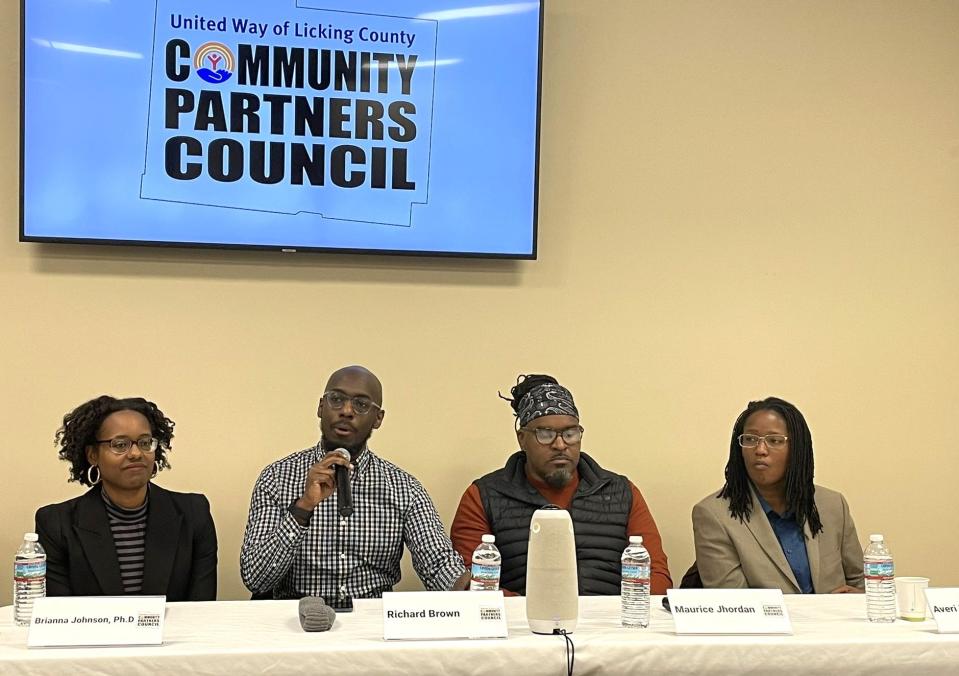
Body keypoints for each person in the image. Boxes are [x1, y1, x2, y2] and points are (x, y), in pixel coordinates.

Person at [240, 365, 468, 605]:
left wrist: (471, 591)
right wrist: (303, 507)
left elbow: (438, 563)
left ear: (378, 418)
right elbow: (256, 578)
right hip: (297, 626)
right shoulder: (277, 478)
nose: (346, 411)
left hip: (373, 628)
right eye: (336, 400)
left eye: (361, 404)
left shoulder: (404, 488)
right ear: (320, 407)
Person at [451, 374, 672, 595]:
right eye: (545, 434)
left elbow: (656, 574)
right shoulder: (483, 496)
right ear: (522, 439)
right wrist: (532, 613)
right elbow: (473, 584)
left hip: (611, 624)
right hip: (520, 625)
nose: (560, 444)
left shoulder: (621, 493)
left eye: (570, 433)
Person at [35, 396, 218, 600]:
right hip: (91, 633)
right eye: (120, 444)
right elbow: (61, 617)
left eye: (145, 442)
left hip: (177, 632)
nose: (135, 453)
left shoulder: (193, 514)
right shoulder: (56, 524)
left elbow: (201, 609)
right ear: (92, 455)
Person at [692, 396, 864, 593]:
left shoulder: (833, 505)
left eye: (774, 440)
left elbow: (860, 581)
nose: (760, 450)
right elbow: (736, 606)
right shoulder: (713, 514)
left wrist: (858, 598)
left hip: (836, 624)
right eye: (750, 439)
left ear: (798, 449)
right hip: (767, 625)